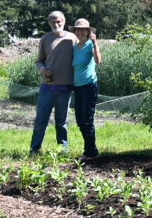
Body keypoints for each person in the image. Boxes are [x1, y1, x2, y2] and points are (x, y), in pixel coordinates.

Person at [30, 11, 76, 154]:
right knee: (40, 121)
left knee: (61, 122)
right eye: (53, 22)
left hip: (65, 87)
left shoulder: (72, 38)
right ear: (49, 23)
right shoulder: (45, 39)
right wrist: (42, 69)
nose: (56, 24)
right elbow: (38, 61)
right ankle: (35, 149)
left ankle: (62, 149)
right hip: (47, 87)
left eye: (59, 21)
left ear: (63, 21)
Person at [70, 18, 101, 158]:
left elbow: (98, 60)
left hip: (89, 86)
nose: (81, 32)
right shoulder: (75, 48)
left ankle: (90, 152)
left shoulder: (90, 44)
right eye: (79, 30)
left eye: (84, 30)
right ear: (75, 32)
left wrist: (95, 43)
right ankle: (91, 150)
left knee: (87, 120)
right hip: (77, 87)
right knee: (80, 120)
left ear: (88, 32)